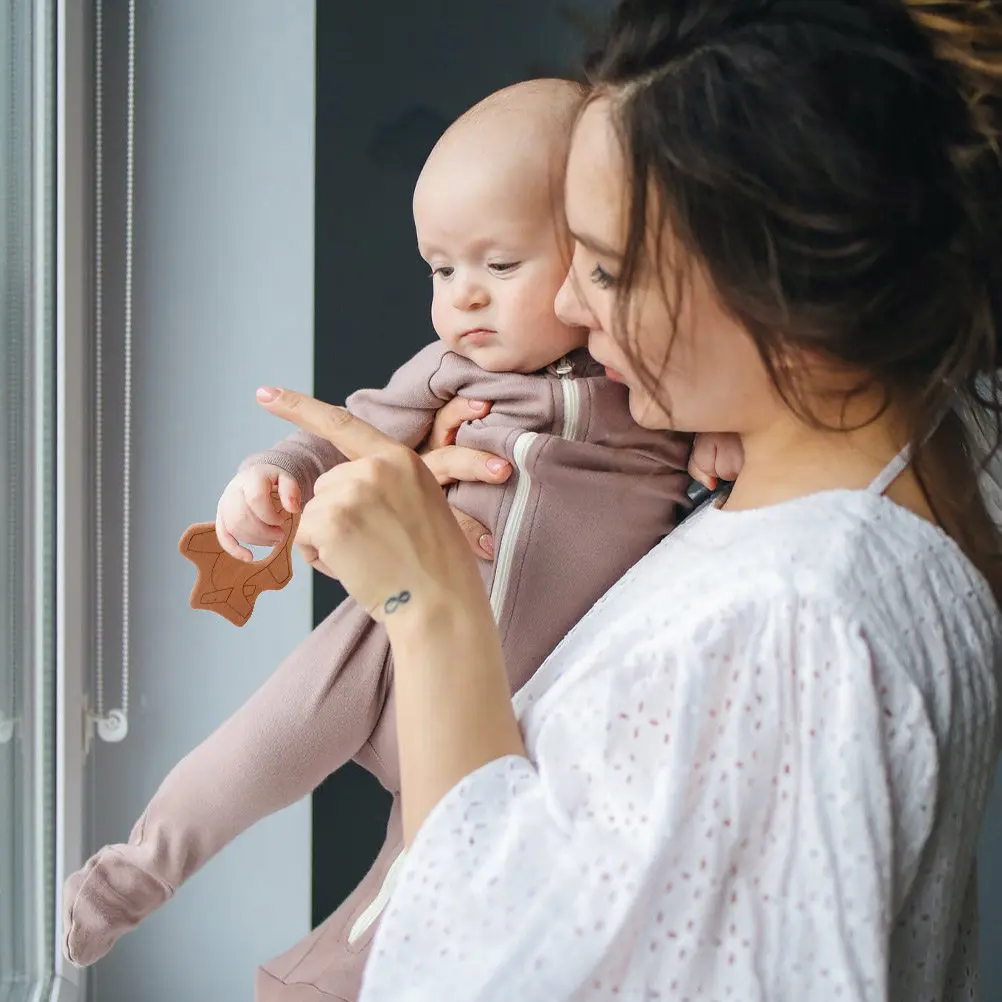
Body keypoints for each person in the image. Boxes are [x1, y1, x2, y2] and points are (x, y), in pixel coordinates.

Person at [250, 0, 1002, 999]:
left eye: (605, 266)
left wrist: (427, 607)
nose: (566, 305)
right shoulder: (903, 491)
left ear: (777, 291)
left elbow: (489, 976)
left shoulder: (789, 623)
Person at [61, 79, 692, 999]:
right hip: (390, 641)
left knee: (420, 875)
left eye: (501, 265)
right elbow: (348, 426)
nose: (464, 297)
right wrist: (274, 478)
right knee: (256, 748)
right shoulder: (450, 372)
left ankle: (310, 984)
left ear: (597, 252)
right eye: (441, 270)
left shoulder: (649, 379)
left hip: (510, 700)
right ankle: (131, 874)